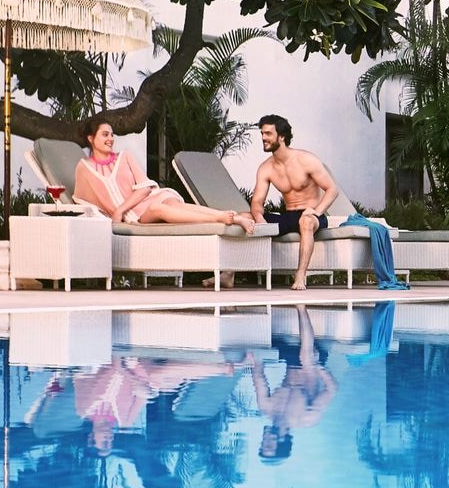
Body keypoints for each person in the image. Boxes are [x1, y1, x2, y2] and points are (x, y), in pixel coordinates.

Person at [71, 119, 260, 232]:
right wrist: (115, 215)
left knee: (173, 204)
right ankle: (226, 217)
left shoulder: (124, 156)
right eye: (105, 135)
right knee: (158, 208)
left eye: (112, 135)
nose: (111, 139)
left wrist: (120, 209)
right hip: (137, 215)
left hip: (148, 199)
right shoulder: (84, 168)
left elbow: (145, 188)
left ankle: (226, 217)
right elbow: (83, 201)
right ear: (91, 138)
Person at [245, 114, 341, 289]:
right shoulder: (266, 168)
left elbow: (332, 189)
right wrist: (259, 217)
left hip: (311, 215)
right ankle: (229, 274)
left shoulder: (306, 160)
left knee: (306, 221)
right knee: (244, 217)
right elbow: (257, 201)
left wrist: (317, 211)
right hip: (288, 216)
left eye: (268, 133)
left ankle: (300, 276)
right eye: (262, 134)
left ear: (282, 136)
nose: (263, 138)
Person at [250, 306, 338, 460]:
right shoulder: (306, 418)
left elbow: (258, 376)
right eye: (268, 445)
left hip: (289, 360)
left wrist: (252, 357)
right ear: (282, 442)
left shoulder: (266, 407)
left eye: (262, 444)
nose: (264, 440)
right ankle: (301, 308)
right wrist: (318, 367)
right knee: (306, 358)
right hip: (312, 363)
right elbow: (332, 389)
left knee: (256, 350)